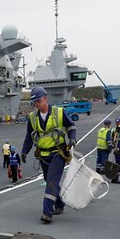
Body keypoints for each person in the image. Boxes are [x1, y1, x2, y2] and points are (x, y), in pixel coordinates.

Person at [21, 86, 76, 224]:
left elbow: (71, 126)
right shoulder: (33, 117)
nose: (36, 104)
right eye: (34, 102)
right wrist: (24, 151)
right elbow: (29, 135)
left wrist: (72, 138)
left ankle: (47, 212)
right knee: (49, 180)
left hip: (58, 153)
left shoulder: (59, 112)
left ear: (45, 98)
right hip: (43, 155)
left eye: (38, 101)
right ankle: (59, 204)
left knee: (51, 180)